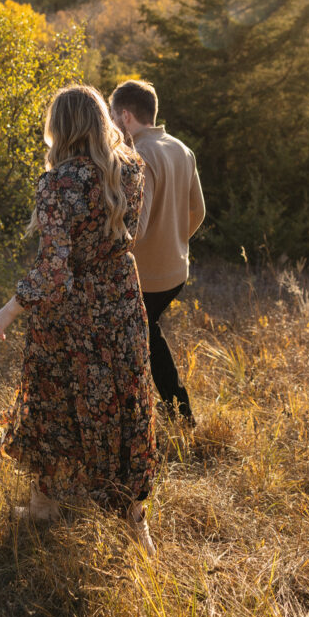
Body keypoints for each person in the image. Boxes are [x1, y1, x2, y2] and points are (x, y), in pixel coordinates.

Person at [0, 85, 158, 553]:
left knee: (53, 403)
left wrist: (9, 308)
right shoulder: (130, 169)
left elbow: (54, 271)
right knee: (123, 405)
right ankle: (133, 520)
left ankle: (46, 506)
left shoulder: (57, 184)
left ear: (59, 128)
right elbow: (130, 232)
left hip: (73, 315)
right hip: (121, 301)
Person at [110, 80, 205, 427]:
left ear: (125, 115)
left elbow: (137, 227)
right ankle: (177, 415)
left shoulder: (137, 155)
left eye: (111, 115)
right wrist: (176, 242)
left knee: (138, 342)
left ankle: (177, 415)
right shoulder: (181, 148)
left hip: (144, 278)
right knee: (148, 336)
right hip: (176, 272)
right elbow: (199, 211)